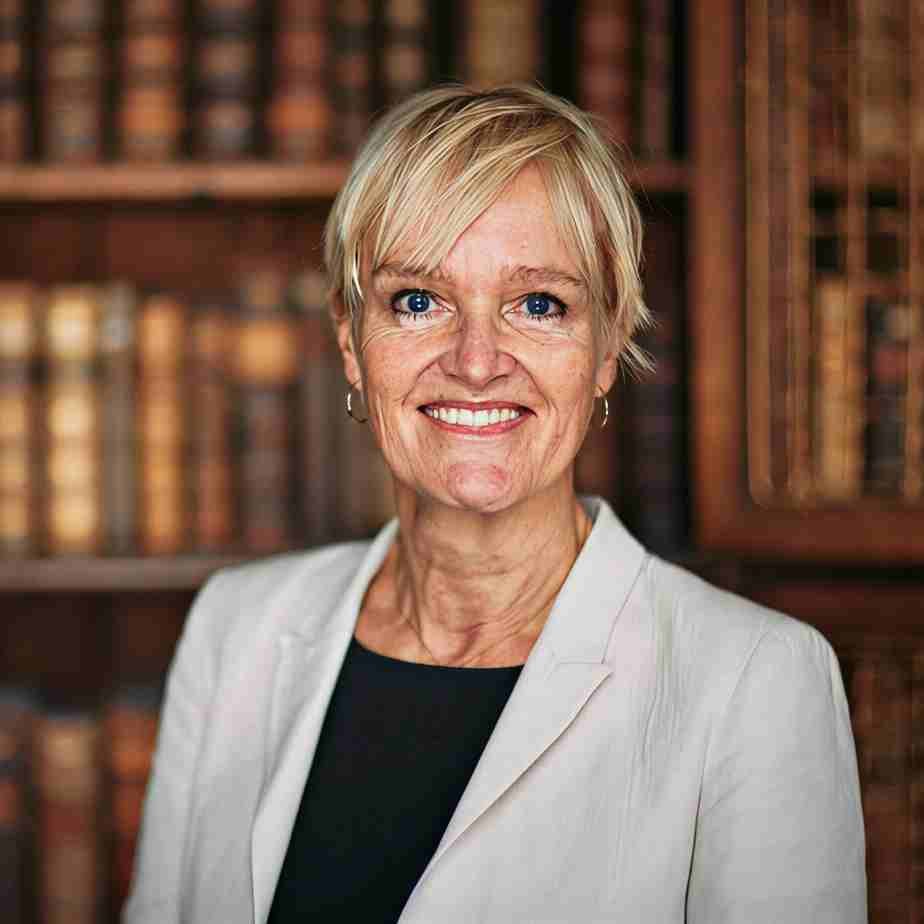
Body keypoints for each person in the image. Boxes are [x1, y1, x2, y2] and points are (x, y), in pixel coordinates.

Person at [124, 84, 866, 924]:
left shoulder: (758, 680)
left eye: (539, 304)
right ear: (351, 341)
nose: (477, 362)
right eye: (418, 301)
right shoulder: (235, 630)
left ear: (606, 348)